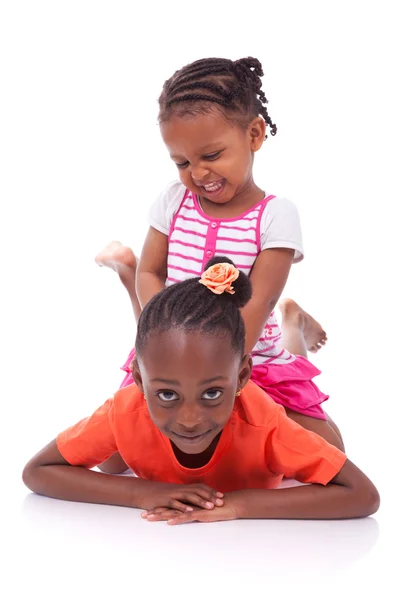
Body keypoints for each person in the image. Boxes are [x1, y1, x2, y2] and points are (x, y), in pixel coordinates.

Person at [96, 56, 339, 448]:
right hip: (173, 361)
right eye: (182, 161)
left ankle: (292, 325)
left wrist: (218, 375)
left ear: (255, 135)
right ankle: (124, 272)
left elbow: (258, 300)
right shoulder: (174, 202)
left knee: (326, 449)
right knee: (113, 454)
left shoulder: (275, 216)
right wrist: (167, 348)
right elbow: (152, 273)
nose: (197, 173)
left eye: (211, 156)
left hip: (244, 356)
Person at [22, 259, 379, 524]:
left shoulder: (266, 425)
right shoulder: (126, 409)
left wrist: (239, 505)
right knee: (111, 466)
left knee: (317, 423)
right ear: (138, 379)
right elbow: (36, 471)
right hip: (166, 388)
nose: (190, 420)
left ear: (241, 377)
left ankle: (292, 323)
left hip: (254, 396)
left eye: (211, 394)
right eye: (166, 395)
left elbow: (363, 495)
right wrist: (143, 493)